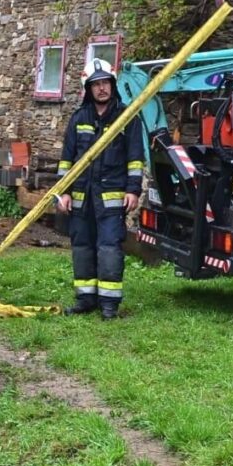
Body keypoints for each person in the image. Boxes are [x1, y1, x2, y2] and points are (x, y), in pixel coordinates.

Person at [57, 59, 144, 319]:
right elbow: (66, 159)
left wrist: (133, 190)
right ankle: (86, 299)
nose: (102, 88)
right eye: (96, 84)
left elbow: (135, 158)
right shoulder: (78, 118)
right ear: (88, 89)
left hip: (111, 198)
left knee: (109, 247)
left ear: (113, 84)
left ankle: (109, 305)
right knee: (81, 245)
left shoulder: (127, 117)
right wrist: (64, 191)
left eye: (105, 82)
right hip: (82, 198)